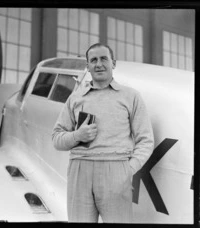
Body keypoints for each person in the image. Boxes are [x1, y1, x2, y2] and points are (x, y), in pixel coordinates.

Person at [52, 43, 154, 223]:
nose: (98, 64)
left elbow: (146, 140)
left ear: (113, 63)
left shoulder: (131, 96)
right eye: (93, 60)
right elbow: (56, 139)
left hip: (116, 168)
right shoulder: (75, 97)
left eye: (103, 59)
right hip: (79, 169)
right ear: (87, 66)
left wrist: (127, 170)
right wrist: (77, 136)